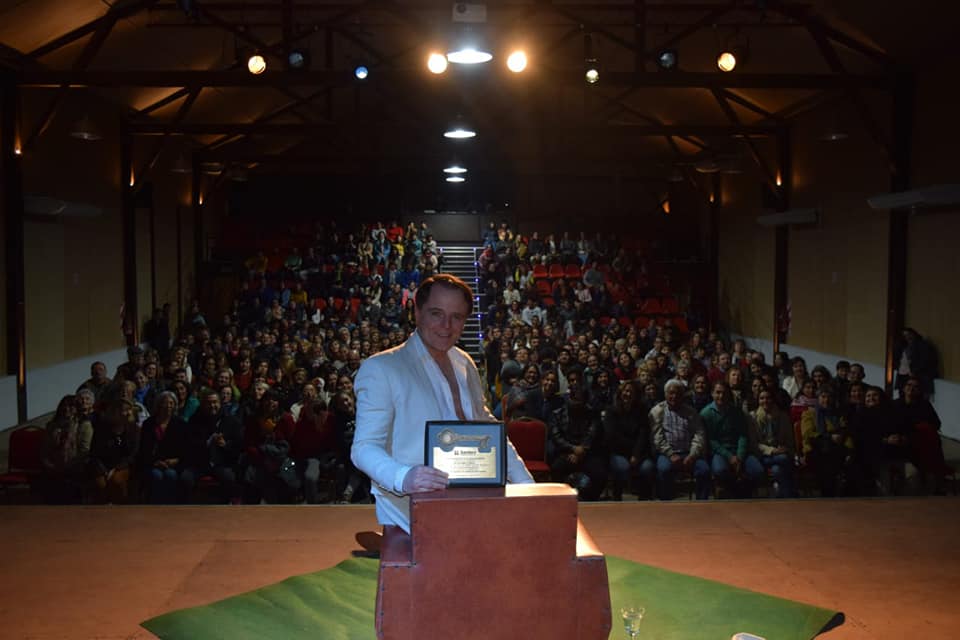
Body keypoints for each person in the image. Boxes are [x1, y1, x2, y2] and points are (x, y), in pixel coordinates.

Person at [351, 274, 534, 535]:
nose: (446, 326)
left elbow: (488, 429)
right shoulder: (381, 368)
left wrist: (527, 485)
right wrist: (404, 477)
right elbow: (364, 448)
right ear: (417, 311)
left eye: (456, 317)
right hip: (413, 504)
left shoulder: (465, 363)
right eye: (436, 313)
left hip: (477, 495)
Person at [650, 380, 710, 500]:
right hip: (667, 454)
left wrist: (693, 455)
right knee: (664, 469)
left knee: (704, 470)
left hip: (689, 453)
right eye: (671, 393)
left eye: (678, 393)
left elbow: (699, 435)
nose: (674, 396)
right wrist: (671, 455)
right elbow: (657, 438)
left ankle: (702, 505)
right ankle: (666, 503)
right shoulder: (657, 411)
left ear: (682, 395)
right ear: (665, 394)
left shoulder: (691, 412)